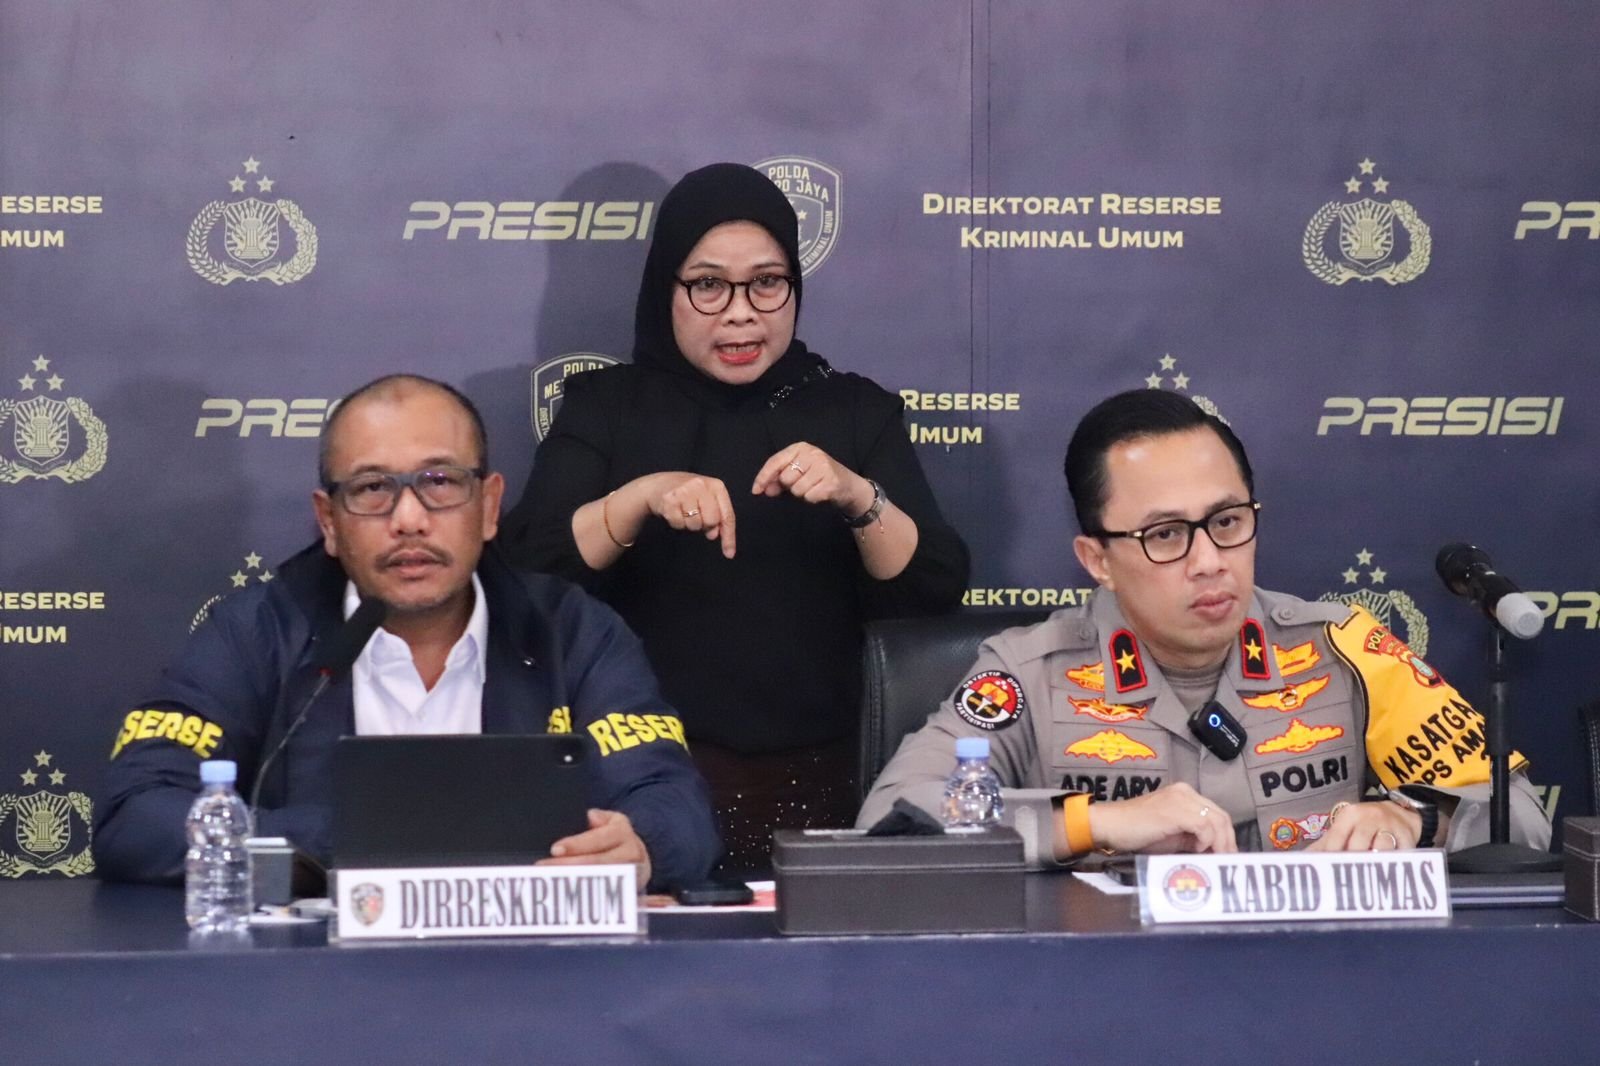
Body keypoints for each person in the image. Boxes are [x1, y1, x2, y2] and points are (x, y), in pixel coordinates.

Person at [503, 163, 969, 870]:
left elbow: (932, 590)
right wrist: (638, 499)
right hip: (640, 785)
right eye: (709, 285)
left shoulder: (852, 410)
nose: (741, 312)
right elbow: (528, 575)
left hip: (828, 782)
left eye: (767, 283)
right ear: (666, 287)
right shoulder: (606, 407)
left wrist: (858, 496)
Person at [859, 389, 1551, 862]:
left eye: (1226, 521)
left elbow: (1518, 815)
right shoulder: (1029, 673)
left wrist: (1416, 820)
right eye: (1165, 534)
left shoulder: (1344, 649)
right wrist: (1091, 822)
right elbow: (894, 822)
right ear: (1097, 559)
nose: (1210, 561)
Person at [94, 374, 720, 890]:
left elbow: (674, 802)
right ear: (328, 522)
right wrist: (349, 840)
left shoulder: (571, 631)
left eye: (439, 482)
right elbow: (136, 812)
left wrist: (641, 846)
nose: (409, 519)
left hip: (528, 977)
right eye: (373, 488)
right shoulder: (257, 631)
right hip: (313, 985)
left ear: (490, 507)